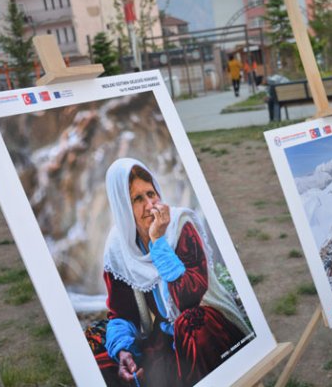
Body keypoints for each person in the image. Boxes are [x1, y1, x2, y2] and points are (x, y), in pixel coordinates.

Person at [91, 158, 252, 386]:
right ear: (123, 207)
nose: (149, 205)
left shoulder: (180, 225)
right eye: (137, 199)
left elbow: (188, 298)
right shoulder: (119, 246)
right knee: (100, 352)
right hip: (166, 334)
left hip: (207, 328)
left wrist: (158, 242)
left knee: (191, 322)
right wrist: (123, 351)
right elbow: (122, 313)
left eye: (151, 194)